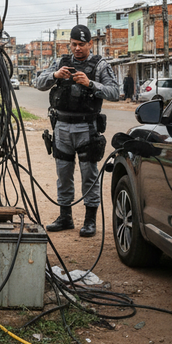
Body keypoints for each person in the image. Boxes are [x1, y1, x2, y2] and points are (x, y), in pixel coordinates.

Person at [35, 25, 119, 237]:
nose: (77, 48)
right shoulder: (61, 63)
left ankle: (90, 221)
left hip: (86, 127)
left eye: (82, 44)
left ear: (90, 44)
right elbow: (39, 83)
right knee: (63, 175)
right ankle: (65, 217)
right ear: (69, 44)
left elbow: (115, 92)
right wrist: (55, 75)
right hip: (62, 126)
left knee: (89, 175)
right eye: (74, 44)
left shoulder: (99, 65)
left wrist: (90, 84)